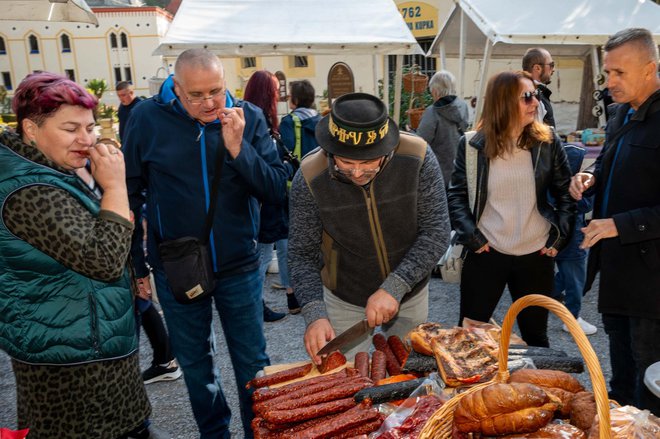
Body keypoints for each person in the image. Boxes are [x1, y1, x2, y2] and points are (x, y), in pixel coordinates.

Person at [123, 49, 288, 438]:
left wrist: (237, 147)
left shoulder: (248, 117)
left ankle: (258, 433)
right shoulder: (148, 118)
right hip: (176, 266)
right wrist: (137, 265)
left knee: (253, 364)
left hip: (240, 265)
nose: (209, 102)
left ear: (226, 81)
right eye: (196, 95)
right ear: (175, 88)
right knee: (198, 367)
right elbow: (130, 194)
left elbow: (275, 189)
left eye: (216, 90)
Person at [0, 72, 151, 437]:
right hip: (72, 372)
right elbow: (103, 260)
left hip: (84, 352)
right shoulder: (29, 189)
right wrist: (115, 186)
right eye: (71, 129)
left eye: (90, 127)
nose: (86, 139)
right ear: (31, 130)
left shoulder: (49, 171)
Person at [288, 92, 450, 364]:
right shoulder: (309, 176)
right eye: (347, 163)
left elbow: (436, 232)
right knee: (348, 378)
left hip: (410, 290)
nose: (358, 173)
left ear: (387, 150)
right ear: (330, 151)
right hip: (345, 295)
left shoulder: (418, 156)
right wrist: (315, 314)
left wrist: (395, 287)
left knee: (409, 370)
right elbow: (301, 254)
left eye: (368, 163)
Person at [569, 27, 660, 415]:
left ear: (650, 68)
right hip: (616, 271)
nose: (610, 83)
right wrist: (590, 178)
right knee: (620, 377)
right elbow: (609, 163)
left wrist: (619, 225)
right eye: (608, 73)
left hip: (652, 281)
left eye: (619, 73)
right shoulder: (621, 112)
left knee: (649, 381)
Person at [448, 70, 574, 347]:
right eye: (527, 96)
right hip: (487, 251)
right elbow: (456, 195)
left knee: (536, 337)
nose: (536, 103)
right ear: (503, 102)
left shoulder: (548, 142)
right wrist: (473, 238)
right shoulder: (472, 145)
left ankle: (537, 390)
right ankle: (476, 391)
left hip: (536, 253)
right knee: (470, 336)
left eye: (537, 95)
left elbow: (566, 193)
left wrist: (559, 238)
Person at [242, 70, 297, 321]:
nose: (277, 94)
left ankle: (281, 297)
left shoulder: (251, 119)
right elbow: (261, 166)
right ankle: (255, 304)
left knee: (274, 249)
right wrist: (284, 167)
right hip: (264, 201)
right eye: (274, 90)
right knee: (263, 254)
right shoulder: (257, 121)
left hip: (264, 200)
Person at [552, 144, 598, 336]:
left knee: (564, 275)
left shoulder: (549, 185)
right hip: (573, 241)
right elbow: (585, 206)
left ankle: (547, 296)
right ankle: (572, 318)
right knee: (576, 280)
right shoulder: (573, 188)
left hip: (555, 240)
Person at [416, 70, 469, 189]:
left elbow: (421, 142)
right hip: (460, 169)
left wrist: (412, 132)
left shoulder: (432, 112)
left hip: (437, 173)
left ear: (435, 91)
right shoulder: (463, 106)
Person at [280, 79, 321, 159]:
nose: (288, 98)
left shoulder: (288, 122)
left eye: (289, 96)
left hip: (299, 169)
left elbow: (286, 151)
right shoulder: (321, 120)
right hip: (319, 168)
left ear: (296, 99)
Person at [522, 47, 556, 127]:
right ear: (537, 68)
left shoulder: (536, 93)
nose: (553, 69)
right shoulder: (534, 95)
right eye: (551, 65)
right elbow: (534, 134)